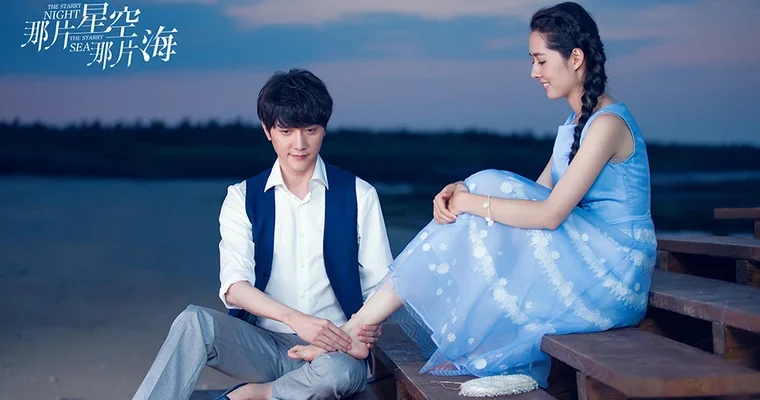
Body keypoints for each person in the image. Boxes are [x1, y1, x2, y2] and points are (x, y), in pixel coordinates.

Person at [287, 1, 658, 390]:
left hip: (617, 268)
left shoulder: (607, 124)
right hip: (591, 255)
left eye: (541, 61)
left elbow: (549, 214)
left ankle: (357, 326)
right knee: (483, 195)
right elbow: (533, 200)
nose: (534, 72)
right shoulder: (575, 123)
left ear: (576, 58)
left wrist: (470, 200)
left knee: (487, 184)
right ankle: (359, 325)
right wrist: (462, 196)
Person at [132, 68, 395, 400]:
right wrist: (296, 320)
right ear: (268, 131)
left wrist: (360, 329)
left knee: (338, 374)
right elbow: (234, 287)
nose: (299, 144)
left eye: (310, 130)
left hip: (333, 351)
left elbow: (382, 286)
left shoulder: (359, 195)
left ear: (324, 129)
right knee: (193, 322)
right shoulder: (242, 197)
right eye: (286, 131)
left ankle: (261, 394)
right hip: (263, 347)